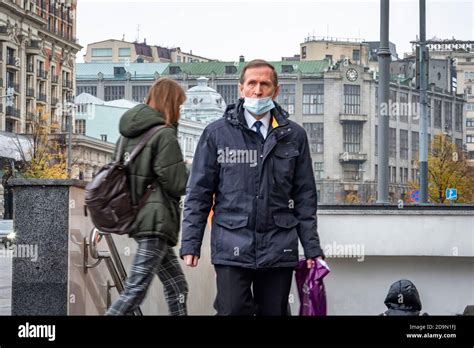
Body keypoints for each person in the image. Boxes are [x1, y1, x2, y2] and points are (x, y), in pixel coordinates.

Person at [180, 59, 324, 316]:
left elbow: (305, 196)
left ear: (275, 91)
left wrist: (311, 247)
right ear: (241, 89)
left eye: (264, 84)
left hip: (279, 243)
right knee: (233, 310)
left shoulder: (294, 136)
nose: (258, 91)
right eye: (252, 84)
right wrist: (191, 243)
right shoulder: (216, 134)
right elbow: (199, 192)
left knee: (274, 312)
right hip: (231, 241)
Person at [106, 78, 189, 316]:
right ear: (171, 103)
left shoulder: (126, 135)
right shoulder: (164, 135)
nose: (180, 111)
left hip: (138, 216)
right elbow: (176, 183)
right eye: (179, 106)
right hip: (155, 220)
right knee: (135, 289)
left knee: (177, 286)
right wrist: (189, 169)